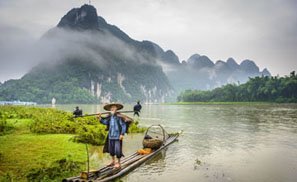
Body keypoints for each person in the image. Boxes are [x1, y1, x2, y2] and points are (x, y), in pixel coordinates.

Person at [97, 103, 127, 169]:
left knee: (117, 150)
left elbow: (123, 125)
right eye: (111, 108)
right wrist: (99, 118)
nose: (113, 109)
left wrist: (122, 134)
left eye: (114, 107)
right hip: (111, 136)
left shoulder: (119, 117)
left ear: (116, 109)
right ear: (110, 109)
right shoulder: (110, 117)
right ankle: (113, 161)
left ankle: (118, 163)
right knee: (111, 150)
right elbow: (105, 122)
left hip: (117, 136)